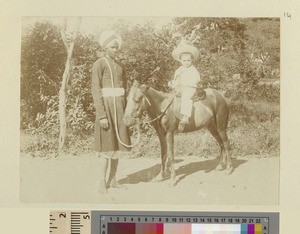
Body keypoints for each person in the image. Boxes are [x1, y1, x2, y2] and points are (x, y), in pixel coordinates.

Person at [91, 30, 131, 193]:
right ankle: (102, 182)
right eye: (112, 47)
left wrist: (128, 112)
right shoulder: (99, 63)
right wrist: (102, 115)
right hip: (106, 109)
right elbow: (95, 89)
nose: (115, 50)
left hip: (120, 108)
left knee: (118, 146)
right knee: (107, 147)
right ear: (105, 47)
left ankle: (113, 179)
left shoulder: (121, 65)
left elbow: (125, 89)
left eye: (117, 47)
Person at [169, 42, 201, 132]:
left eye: (188, 61)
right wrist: (173, 83)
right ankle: (171, 118)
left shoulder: (193, 70)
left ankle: (185, 116)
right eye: (184, 61)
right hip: (180, 89)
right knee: (171, 99)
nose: (186, 63)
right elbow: (176, 79)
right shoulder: (179, 70)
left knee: (186, 97)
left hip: (189, 88)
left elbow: (195, 81)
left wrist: (183, 83)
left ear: (192, 61)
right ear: (180, 61)